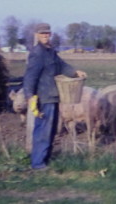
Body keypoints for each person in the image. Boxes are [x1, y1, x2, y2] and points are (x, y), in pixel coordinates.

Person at [23, 22, 87, 170]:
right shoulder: (37, 53)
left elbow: (61, 65)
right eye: (42, 33)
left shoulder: (50, 51)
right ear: (37, 35)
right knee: (43, 131)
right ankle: (38, 164)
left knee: (50, 131)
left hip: (53, 96)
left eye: (47, 33)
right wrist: (30, 95)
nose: (45, 36)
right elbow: (30, 76)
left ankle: (44, 159)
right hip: (44, 97)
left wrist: (75, 72)